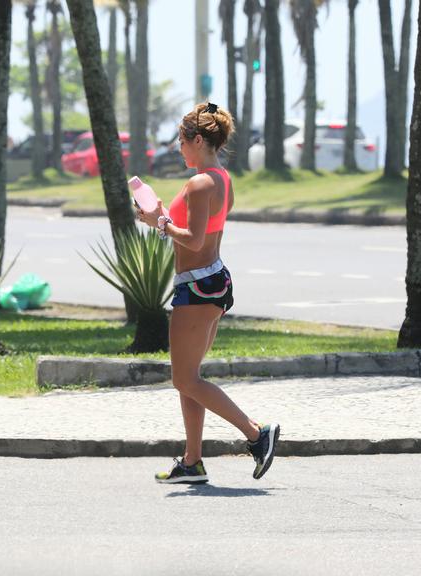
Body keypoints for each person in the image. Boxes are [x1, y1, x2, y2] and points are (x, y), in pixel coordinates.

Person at [137, 102, 280, 484]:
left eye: (181, 141)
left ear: (197, 139)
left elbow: (196, 241)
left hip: (199, 286)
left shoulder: (200, 183)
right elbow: (201, 231)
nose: (178, 148)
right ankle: (192, 461)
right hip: (210, 281)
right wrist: (164, 217)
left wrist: (159, 223)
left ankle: (256, 433)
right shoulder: (220, 177)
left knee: (184, 379)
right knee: (190, 377)